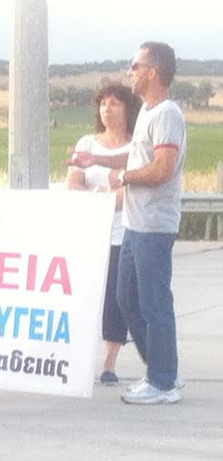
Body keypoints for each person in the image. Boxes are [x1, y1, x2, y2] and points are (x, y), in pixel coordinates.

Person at [71, 42, 187, 404]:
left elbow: (162, 168)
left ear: (152, 72)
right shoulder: (149, 114)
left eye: (135, 66)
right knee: (126, 299)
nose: (129, 72)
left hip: (153, 224)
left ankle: (163, 383)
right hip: (136, 226)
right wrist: (96, 160)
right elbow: (136, 156)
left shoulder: (166, 114)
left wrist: (124, 178)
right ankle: (162, 369)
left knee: (154, 304)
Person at [67, 84, 141, 385]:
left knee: (116, 299)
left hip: (122, 234)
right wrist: (103, 193)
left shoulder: (136, 147)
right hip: (89, 233)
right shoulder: (87, 143)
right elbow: (74, 183)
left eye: (114, 103)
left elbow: (128, 195)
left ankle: (109, 361)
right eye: (103, 104)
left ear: (128, 109)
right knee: (83, 297)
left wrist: (100, 194)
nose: (107, 109)